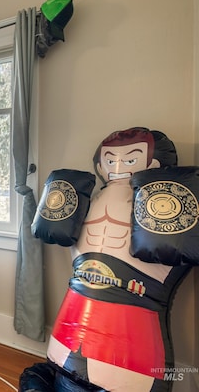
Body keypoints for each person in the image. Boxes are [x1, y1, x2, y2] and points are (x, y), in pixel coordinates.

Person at [21, 127, 193, 392]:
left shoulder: (163, 205)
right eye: (111, 160)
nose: (119, 165)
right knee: (39, 377)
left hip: (132, 350)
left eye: (130, 159)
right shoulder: (87, 200)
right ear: (101, 165)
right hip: (70, 334)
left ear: (154, 163)